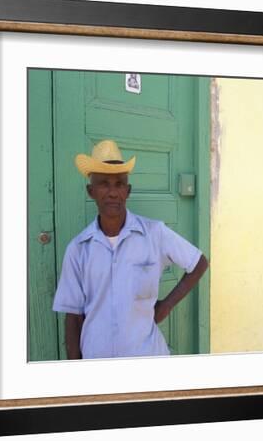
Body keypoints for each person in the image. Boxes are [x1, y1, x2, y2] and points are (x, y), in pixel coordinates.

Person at [52, 139, 209, 360]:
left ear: (128, 191)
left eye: (119, 184)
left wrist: (166, 306)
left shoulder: (154, 233)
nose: (112, 192)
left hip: (146, 358)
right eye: (104, 183)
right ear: (91, 191)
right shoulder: (78, 249)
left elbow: (199, 263)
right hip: (97, 363)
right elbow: (73, 317)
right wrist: (77, 375)